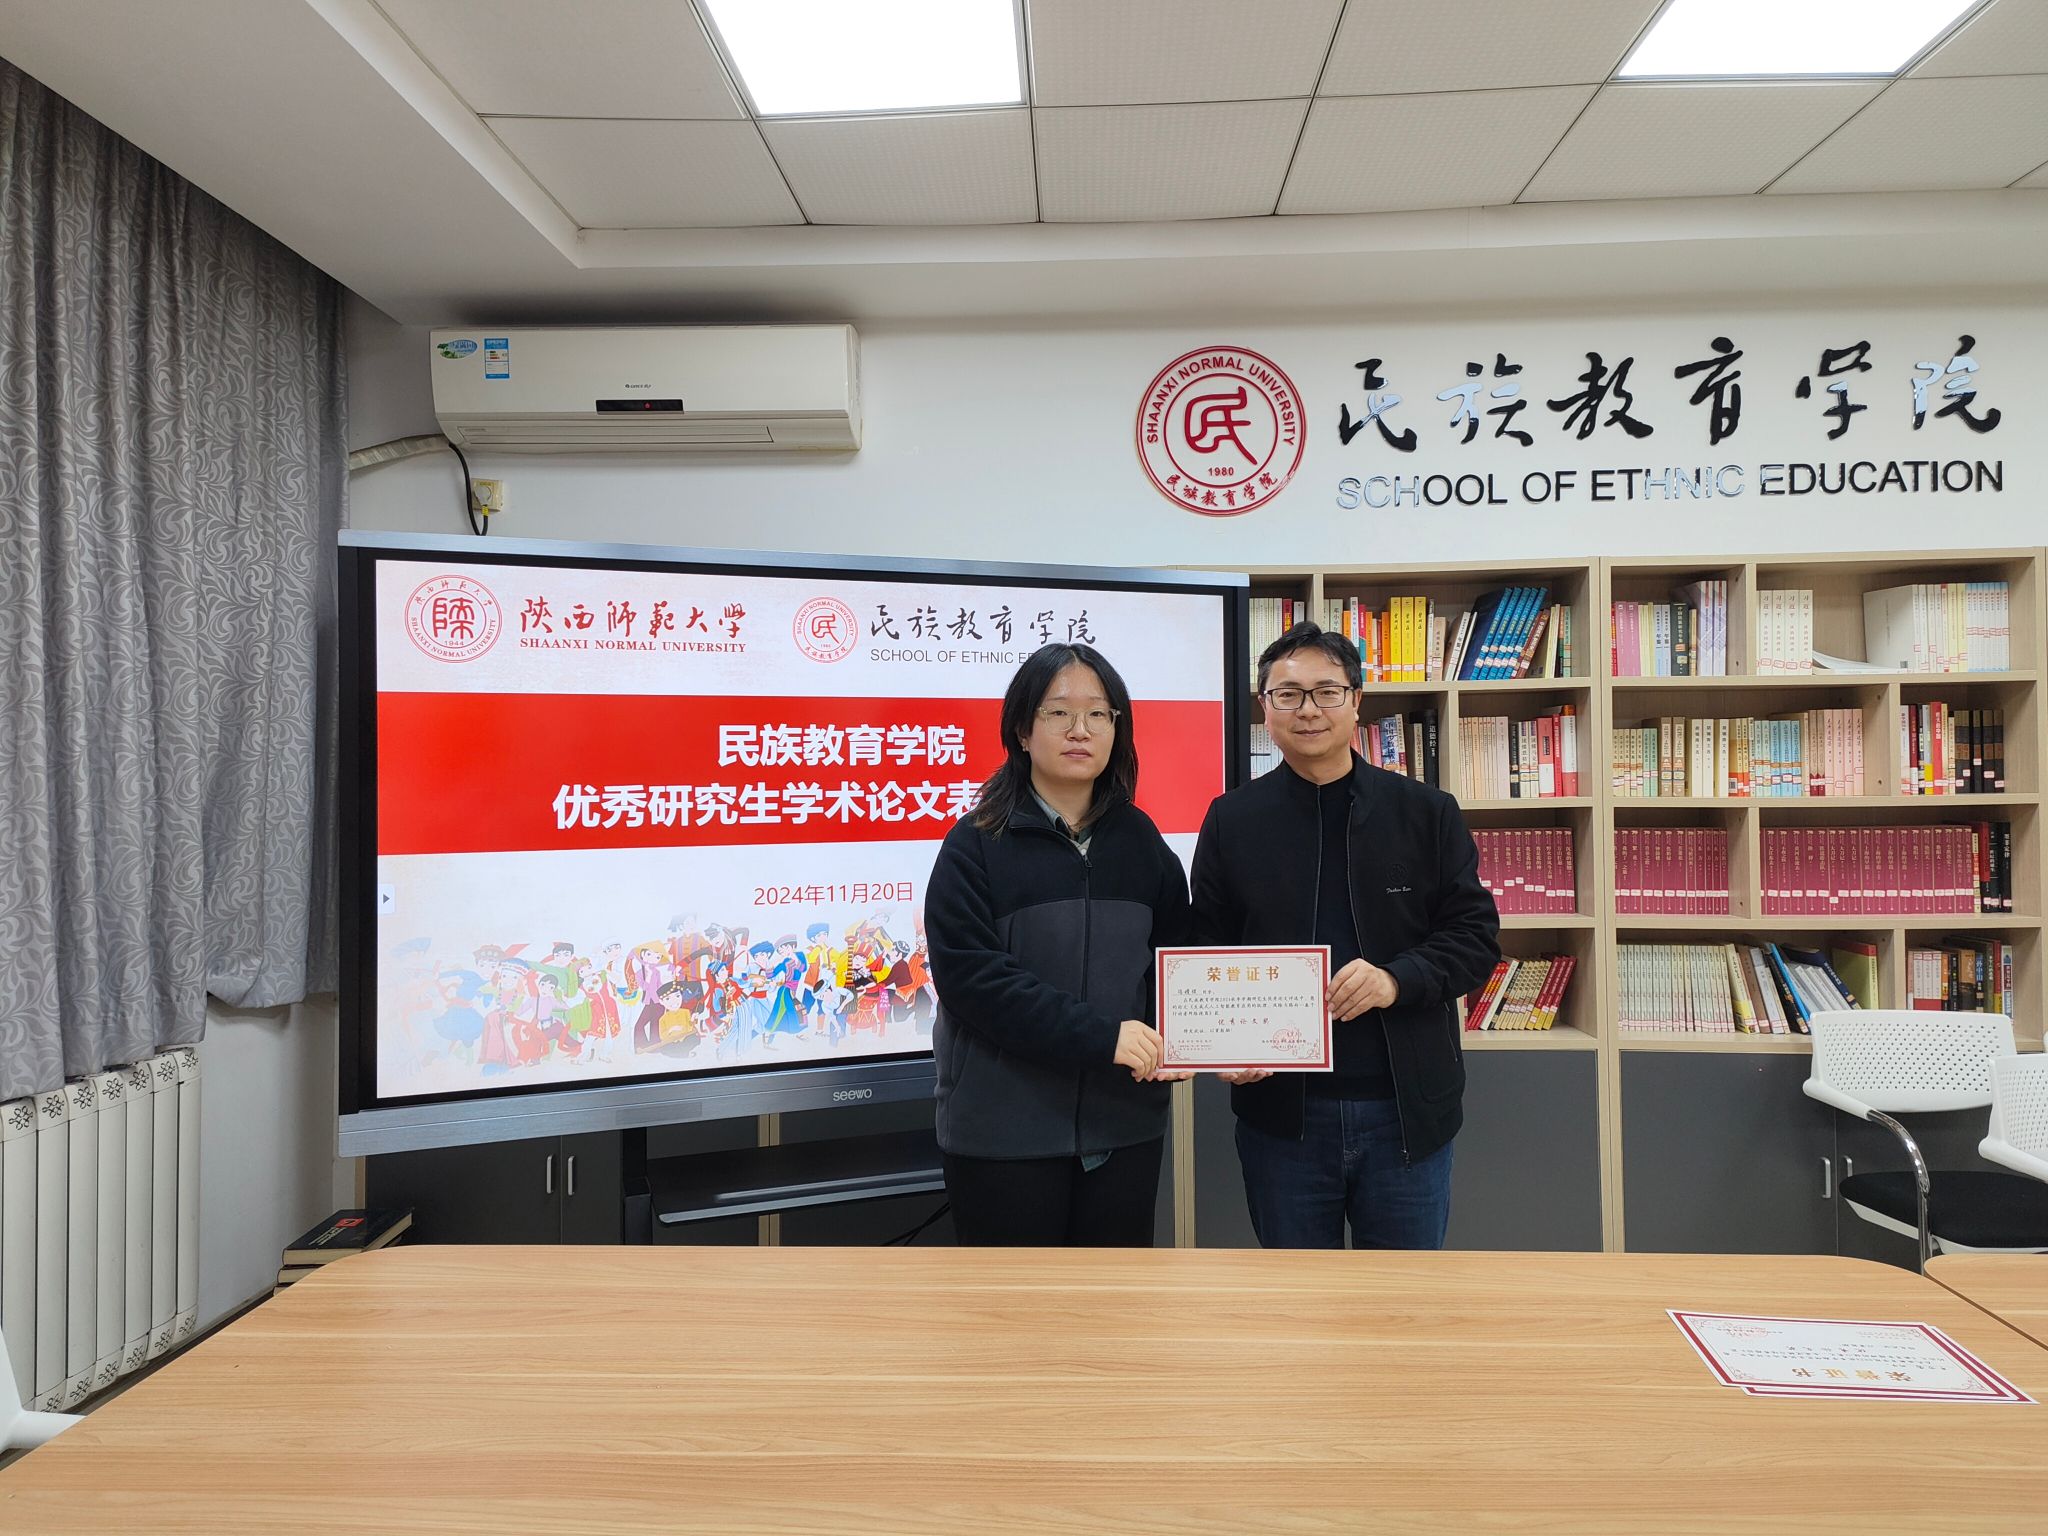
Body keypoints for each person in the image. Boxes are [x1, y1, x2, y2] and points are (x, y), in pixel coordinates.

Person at [1191, 621, 1499, 1250]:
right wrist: (1222, 1040)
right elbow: (1206, 946)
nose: (1308, 710)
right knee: (1297, 1299)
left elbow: (1474, 938)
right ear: (1265, 707)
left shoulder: (1426, 812)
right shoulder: (1232, 820)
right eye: (1288, 694)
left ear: (1356, 702)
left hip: (1405, 1111)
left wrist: (1395, 979)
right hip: (1283, 1115)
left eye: (1327, 692)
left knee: (1402, 1296)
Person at [925, 643, 1189, 1247]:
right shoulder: (975, 845)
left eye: (1098, 713)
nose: (1080, 730)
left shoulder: (1142, 842)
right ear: (1022, 730)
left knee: (1114, 1304)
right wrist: (1103, 1038)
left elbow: (1176, 965)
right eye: (1058, 712)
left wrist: (1204, 1039)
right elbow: (974, 982)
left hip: (1124, 1130)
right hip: (1004, 1136)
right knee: (1013, 1305)